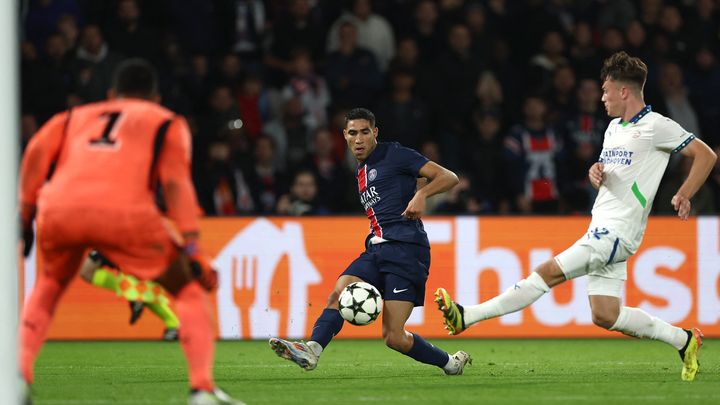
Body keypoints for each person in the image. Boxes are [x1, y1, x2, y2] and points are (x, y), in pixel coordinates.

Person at [435, 51, 717, 382]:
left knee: (547, 272)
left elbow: (706, 154)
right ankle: (684, 340)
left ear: (624, 91)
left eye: (606, 91)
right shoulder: (613, 128)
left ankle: (467, 316)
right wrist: (596, 171)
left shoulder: (656, 127)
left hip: (617, 232)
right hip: (602, 227)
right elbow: (612, 169)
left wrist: (684, 193)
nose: (602, 98)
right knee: (605, 314)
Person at [19, 58, 243, 404]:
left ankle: (18, 379)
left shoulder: (70, 118)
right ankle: (201, 390)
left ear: (111, 95)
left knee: (46, 288)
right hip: (124, 212)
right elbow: (175, 184)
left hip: (59, 209)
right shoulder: (166, 121)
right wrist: (192, 245)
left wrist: (26, 212)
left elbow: (34, 153)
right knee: (188, 290)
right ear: (154, 98)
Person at [269, 108, 471, 375]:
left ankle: (450, 363)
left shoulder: (395, 154)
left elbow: (448, 177)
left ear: (375, 133)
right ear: (344, 135)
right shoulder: (361, 171)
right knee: (340, 291)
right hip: (376, 248)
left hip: (407, 250)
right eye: (353, 133)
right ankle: (312, 350)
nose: (359, 139)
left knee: (394, 337)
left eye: (365, 132)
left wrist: (423, 195)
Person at [79, 250, 180, 341]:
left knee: (137, 281)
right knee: (86, 272)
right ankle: (133, 294)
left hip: (126, 240)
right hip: (106, 239)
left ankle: (173, 324)